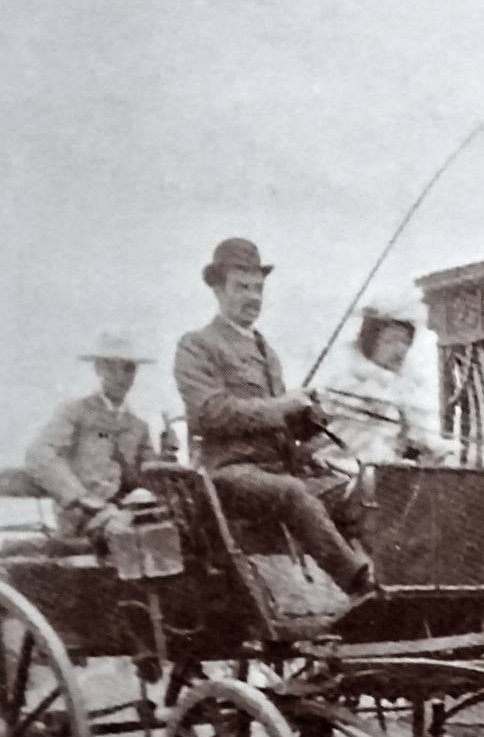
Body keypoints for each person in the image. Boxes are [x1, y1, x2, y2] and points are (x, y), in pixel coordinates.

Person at [173, 238, 376, 599]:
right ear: (218, 289)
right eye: (242, 287)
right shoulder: (197, 346)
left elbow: (279, 423)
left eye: (258, 288)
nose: (253, 297)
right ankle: (357, 584)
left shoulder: (267, 352)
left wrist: (307, 416)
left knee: (364, 489)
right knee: (292, 493)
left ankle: (375, 578)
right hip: (228, 475)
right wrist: (283, 405)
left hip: (279, 471)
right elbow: (210, 413)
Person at [24, 330, 156, 544]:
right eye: (111, 367)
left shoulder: (138, 427)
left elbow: (149, 476)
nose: (120, 376)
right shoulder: (75, 413)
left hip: (125, 516)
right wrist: (79, 496)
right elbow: (39, 454)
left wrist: (165, 461)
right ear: (98, 369)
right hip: (82, 520)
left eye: (128, 368)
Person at [313, 293, 459, 470]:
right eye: (390, 342)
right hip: (345, 466)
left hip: (385, 467)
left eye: (405, 342)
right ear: (371, 345)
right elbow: (344, 440)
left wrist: (441, 449)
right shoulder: (348, 384)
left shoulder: (403, 387)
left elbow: (419, 436)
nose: (399, 350)